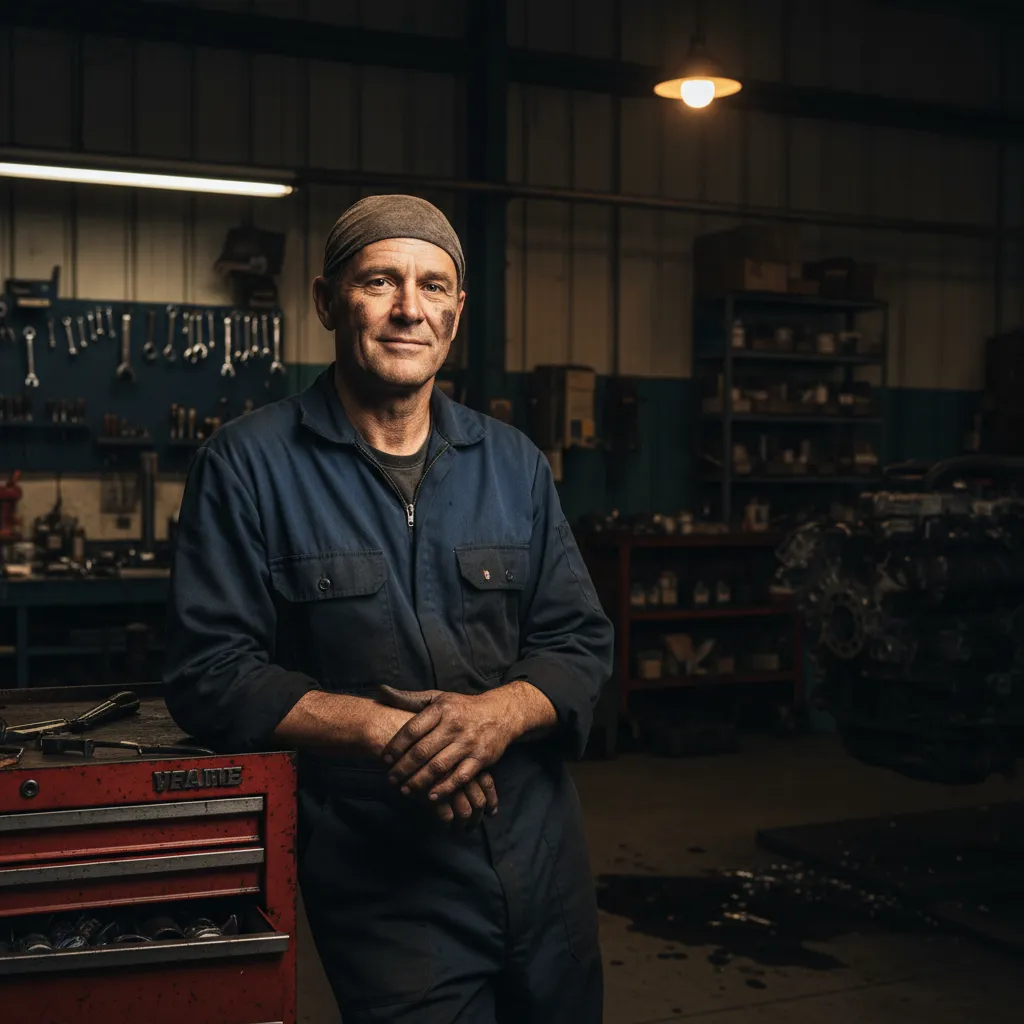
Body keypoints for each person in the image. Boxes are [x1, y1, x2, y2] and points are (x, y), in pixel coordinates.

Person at [164, 194, 614, 1024]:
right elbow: (209, 672)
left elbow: (579, 640)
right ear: (327, 300)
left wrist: (498, 716)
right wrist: (390, 732)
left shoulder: (512, 463)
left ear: (457, 311)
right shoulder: (248, 465)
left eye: (434, 287)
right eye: (381, 281)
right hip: (383, 877)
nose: (411, 309)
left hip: (540, 852)